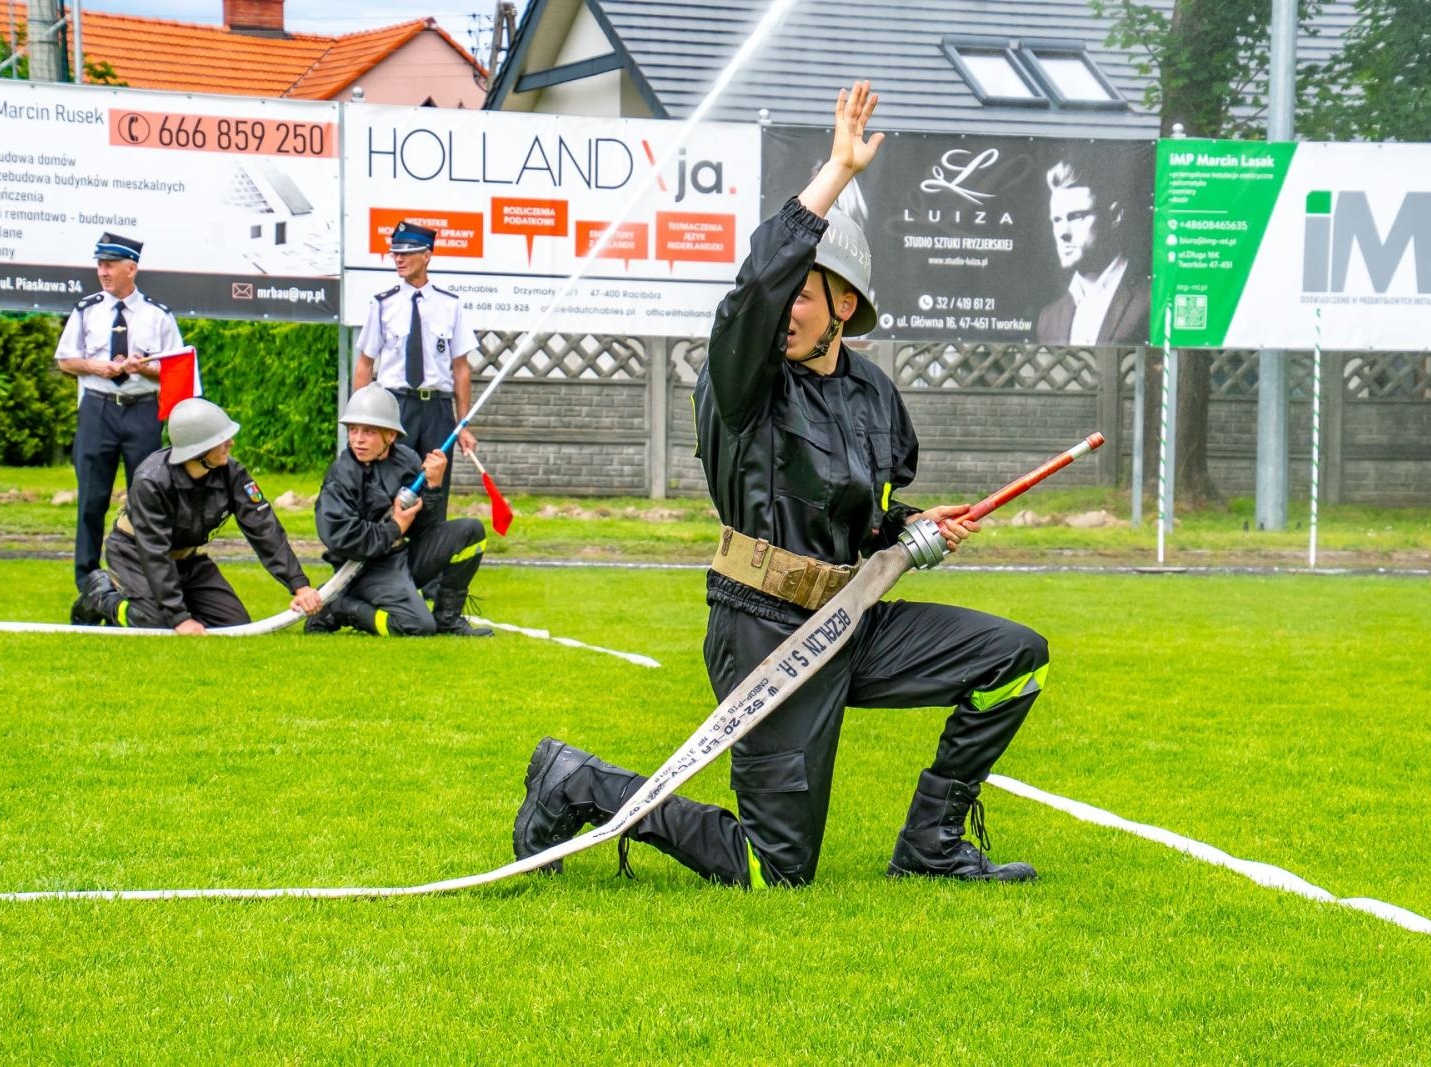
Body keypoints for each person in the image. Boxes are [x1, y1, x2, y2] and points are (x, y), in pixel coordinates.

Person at [513, 82, 1050, 888]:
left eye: (807, 293)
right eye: (786, 293)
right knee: (775, 868)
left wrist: (912, 526)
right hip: (765, 629)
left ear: (846, 304)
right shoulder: (743, 381)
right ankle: (578, 780)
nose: (789, 307)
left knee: (1016, 658)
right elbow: (753, 289)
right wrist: (836, 173)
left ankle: (931, 843)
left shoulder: (873, 394)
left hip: (853, 619)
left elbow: (858, 519)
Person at [74, 398, 323, 633]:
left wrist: (298, 585)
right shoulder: (151, 481)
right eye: (222, 439)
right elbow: (154, 552)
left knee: (234, 625)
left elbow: (264, 527)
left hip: (186, 558)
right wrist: (179, 618)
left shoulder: (232, 473)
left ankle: (169, 606)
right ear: (199, 448)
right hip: (136, 555)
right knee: (156, 623)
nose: (231, 443)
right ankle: (101, 596)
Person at [55, 232, 184, 609]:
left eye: (110, 265)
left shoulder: (158, 316)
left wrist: (144, 369)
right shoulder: (86, 310)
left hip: (141, 410)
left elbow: (176, 371)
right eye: (99, 264)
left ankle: (145, 578)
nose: (103, 272)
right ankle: (88, 580)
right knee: (91, 499)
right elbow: (66, 360)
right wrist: (94, 366)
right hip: (98, 409)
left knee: (146, 499)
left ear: (132, 268)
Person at [308, 383, 492, 637]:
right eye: (353, 430)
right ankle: (338, 607)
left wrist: (433, 486)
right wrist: (395, 527)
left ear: (391, 435)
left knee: (471, 531)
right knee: (416, 625)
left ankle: (448, 619)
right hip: (364, 569)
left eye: (369, 431)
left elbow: (424, 528)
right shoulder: (342, 475)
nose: (358, 440)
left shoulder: (407, 459)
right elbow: (341, 538)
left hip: (400, 555)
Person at [352, 220, 480, 526]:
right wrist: (359, 421)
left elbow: (461, 369)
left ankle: (430, 562)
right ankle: (383, 554)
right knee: (389, 483)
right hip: (395, 406)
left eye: (407, 252)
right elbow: (365, 364)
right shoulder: (382, 305)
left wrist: (462, 424)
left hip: (437, 408)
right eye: (395, 253)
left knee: (435, 484)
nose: (398, 259)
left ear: (427, 256)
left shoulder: (451, 306)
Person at [1034, 156, 1150, 347]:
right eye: (1057, 220)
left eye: (1077, 217)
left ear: (1114, 216)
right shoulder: (1048, 318)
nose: (1063, 233)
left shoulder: (1150, 299)